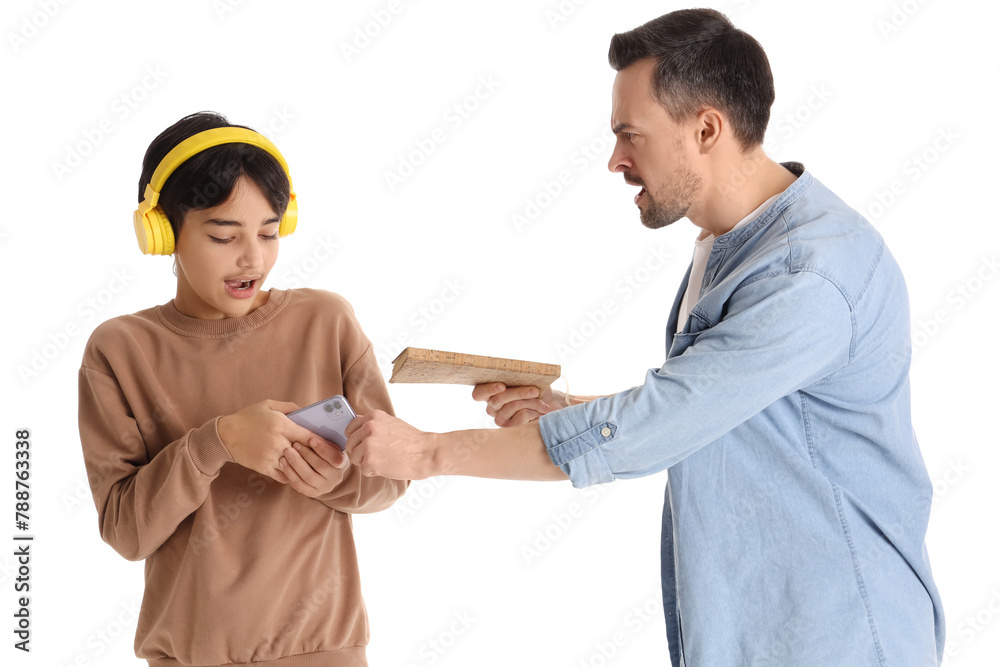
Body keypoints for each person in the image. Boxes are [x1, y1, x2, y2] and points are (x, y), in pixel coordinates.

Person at [342, 9, 945, 666]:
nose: (615, 160)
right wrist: (566, 412)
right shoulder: (733, 243)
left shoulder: (808, 274)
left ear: (706, 128)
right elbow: (719, 406)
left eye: (632, 135)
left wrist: (427, 453)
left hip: (842, 642)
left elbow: (656, 426)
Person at [78, 111, 407, 667]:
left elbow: (392, 479)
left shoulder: (325, 322)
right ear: (161, 232)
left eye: (269, 232)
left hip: (325, 650)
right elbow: (126, 532)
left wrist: (334, 479)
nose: (253, 258)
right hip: (187, 655)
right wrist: (216, 443)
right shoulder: (119, 350)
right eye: (223, 235)